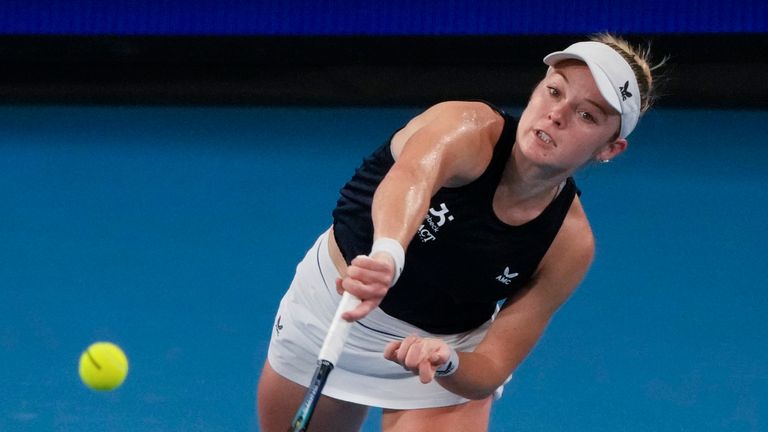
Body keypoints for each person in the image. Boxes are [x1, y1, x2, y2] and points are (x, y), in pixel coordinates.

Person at [257, 33, 663, 431]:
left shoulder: (568, 243)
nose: (557, 115)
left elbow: (491, 365)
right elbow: (411, 178)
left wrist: (447, 361)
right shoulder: (466, 129)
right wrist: (388, 254)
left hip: (439, 356)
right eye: (554, 92)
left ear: (610, 149)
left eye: (587, 115)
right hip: (331, 313)